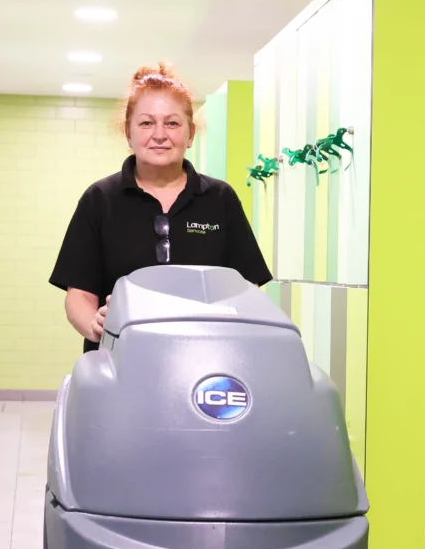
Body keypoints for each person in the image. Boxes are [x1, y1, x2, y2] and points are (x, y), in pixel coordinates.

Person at [49, 62, 273, 351]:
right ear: (128, 134)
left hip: (207, 359)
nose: (159, 134)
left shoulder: (220, 198)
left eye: (172, 123)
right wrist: (95, 325)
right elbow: (78, 295)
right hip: (120, 363)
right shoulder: (99, 199)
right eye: (146, 123)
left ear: (190, 134)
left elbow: (247, 287)